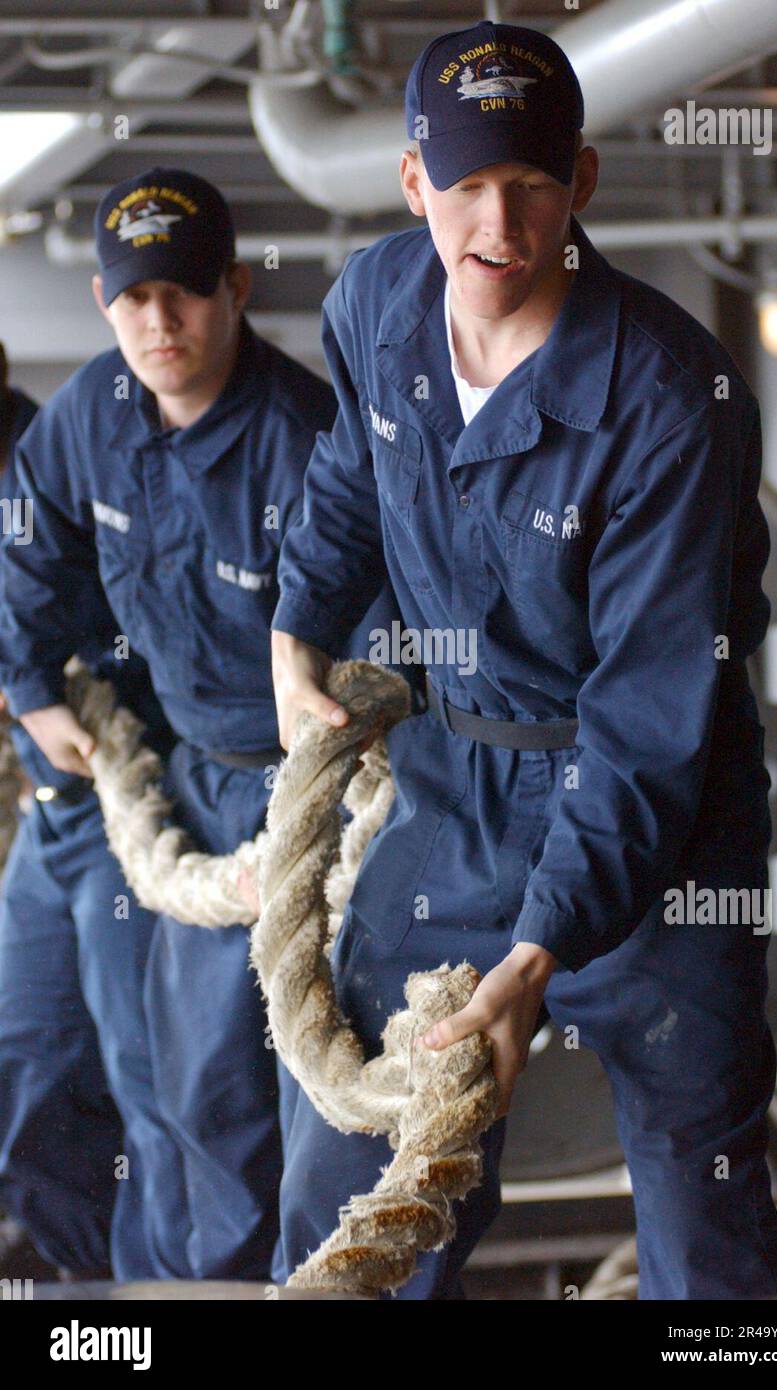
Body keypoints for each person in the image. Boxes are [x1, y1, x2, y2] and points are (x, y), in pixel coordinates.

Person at [269, 21, 777, 1300]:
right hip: (456, 789)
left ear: (583, 181)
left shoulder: (671, 398)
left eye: (532, 182)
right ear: (412, 185)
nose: (497, 222)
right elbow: (350, 479)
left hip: (657, 816)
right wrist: (298, 633)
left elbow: (647, 718)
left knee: (700, 1200)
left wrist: (537, 955)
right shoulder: (374, 305)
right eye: (463, 188)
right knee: (353, 1169)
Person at [0, 167, 395, 1279]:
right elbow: (32, 547)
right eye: (133, 300)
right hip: (182, 778)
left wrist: (339, 794)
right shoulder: (90, 416)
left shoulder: (307, 438)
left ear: (234, 289)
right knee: (189, 1088)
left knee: (317, 1096)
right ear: (100, 301)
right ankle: (178, 1299)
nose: (158, 323)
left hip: (309, 790)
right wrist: (30, 683)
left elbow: (383, 642)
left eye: (181, 293)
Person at [0, 344, 189, 1280]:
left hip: (126, 815)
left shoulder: (53, 464)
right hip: (45, 821)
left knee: (150, 1087)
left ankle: (145, 1306)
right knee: (25, 1066)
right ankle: (82, 1285)